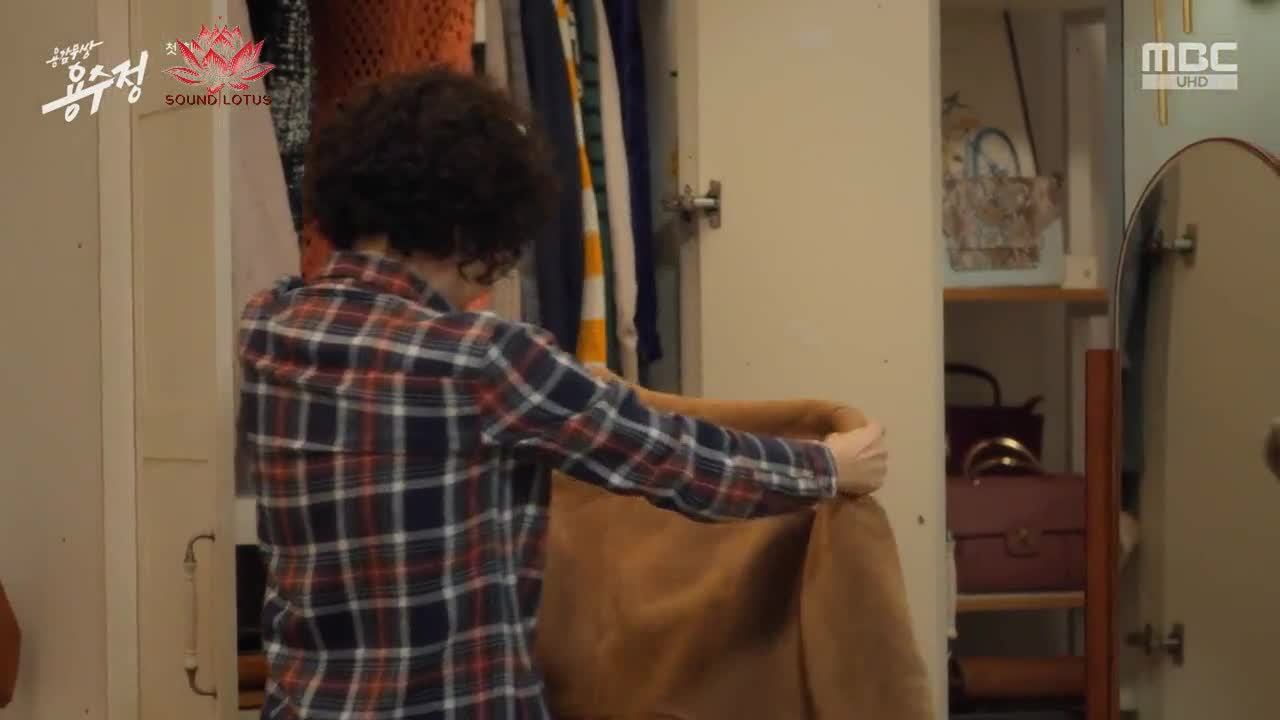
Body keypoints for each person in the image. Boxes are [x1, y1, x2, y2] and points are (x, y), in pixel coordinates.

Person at [239, 68, 889, 720]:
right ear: (468, 229)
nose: (487, 285)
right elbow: (673, 458)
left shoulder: (270, 329)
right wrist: (826, 466)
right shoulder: (486, 361)